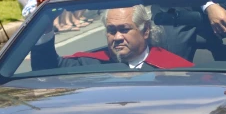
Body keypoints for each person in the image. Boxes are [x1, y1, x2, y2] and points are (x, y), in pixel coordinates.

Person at [32, 5, 193, 70]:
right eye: (111, 30)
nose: (117, 37)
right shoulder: (90, 63)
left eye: (124, 29)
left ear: (146, 31)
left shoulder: (173, 69)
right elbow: (46, 68)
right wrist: (44, 28)